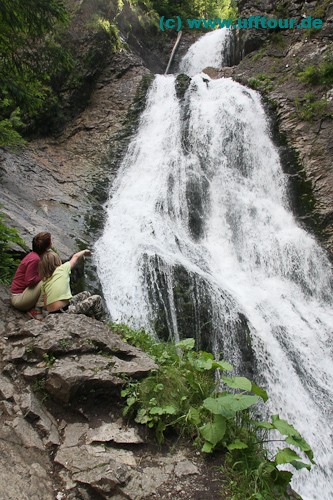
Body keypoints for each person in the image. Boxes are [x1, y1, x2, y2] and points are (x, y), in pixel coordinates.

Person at [39, 249, 105, 321]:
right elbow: (76, 256)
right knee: (97, 298)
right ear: (58, 261)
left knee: (86, 294)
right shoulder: (63, 269)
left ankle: (89, 316)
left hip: (53, 313)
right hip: (65, 312)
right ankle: (100, 322)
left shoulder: (45, 281)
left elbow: (45, 305)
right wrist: (84, 252)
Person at [10, 232, 52, 317]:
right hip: (18, 299)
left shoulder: (33, 255)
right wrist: (43, 275)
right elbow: (30, 281)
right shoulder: (35, 259)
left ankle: (38, 307)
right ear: (47, 246)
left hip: (20, 294)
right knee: (46, 280)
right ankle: (36, 310)